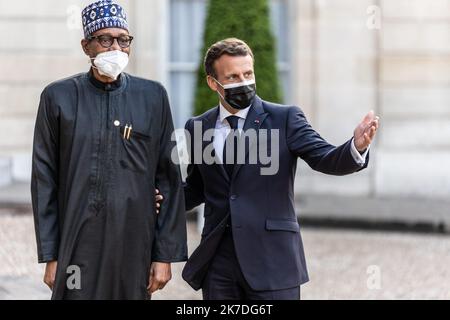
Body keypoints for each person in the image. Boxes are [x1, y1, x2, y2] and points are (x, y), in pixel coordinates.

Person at [178, 38, 379, 300]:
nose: (243, 82)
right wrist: (156, 197)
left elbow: (325, 157)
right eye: (233, 76)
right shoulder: (197, 126)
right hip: (218, 263)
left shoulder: (285, 119)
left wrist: (356, 146)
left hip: (272, 259)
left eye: (248, 73)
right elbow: (196, 188)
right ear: (213, 83)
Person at [31, 0, 187, 300]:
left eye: (123, 39)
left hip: (133, 243)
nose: (116, 47)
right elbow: (44, 180)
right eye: (105, 39)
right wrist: (51, 255)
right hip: (76, 244)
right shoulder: (58, 97)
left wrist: (164, 255)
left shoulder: (153, 97)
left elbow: (169, 178)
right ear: (86, 45)